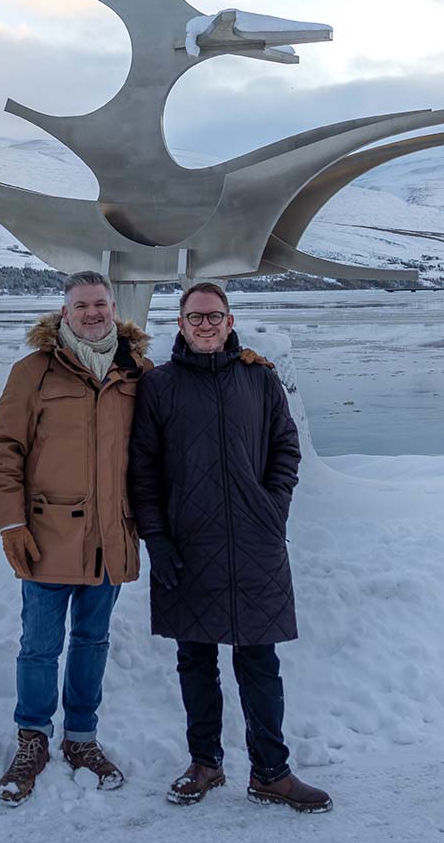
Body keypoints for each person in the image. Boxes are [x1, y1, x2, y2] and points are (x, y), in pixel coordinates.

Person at [128, 281, 333, 813]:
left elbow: (285, 446)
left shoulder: (258, 379)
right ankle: (205, 763)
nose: (205, 325)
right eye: (195, 317)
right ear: (179, 323)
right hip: (187, 545)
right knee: (195, 658)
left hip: (254, 540)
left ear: (229, 319)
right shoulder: (160, 387)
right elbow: (142, 472)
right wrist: (157, 539)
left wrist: (273, 506)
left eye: (214, 316)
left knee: (258, 659)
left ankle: (271, 772)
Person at [0, 270, 152, 805]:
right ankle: (32, 739)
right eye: (81, 306)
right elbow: (2, 452)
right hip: (46, 536)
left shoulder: (136, 373)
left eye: (99, 304)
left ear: (112, 309)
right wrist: (10, 523)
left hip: (111, 536)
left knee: (92, 640)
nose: (92, 313)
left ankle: (81, 738)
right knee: (39, 646)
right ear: (64, 314)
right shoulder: (34, 372)